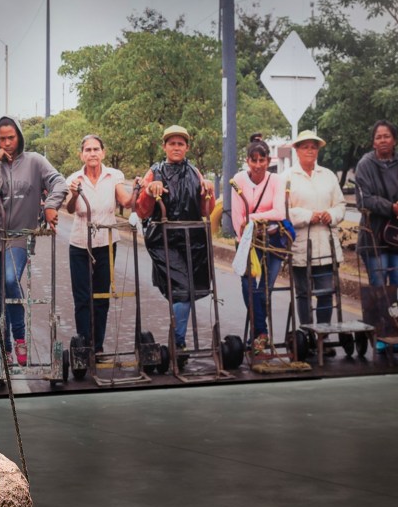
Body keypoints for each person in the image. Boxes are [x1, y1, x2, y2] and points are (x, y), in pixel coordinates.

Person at [0, 116, 67, 365]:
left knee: (10, 279)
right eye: (2, 139)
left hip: (21, 236)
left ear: (19, 136)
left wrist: (51, 205)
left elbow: (59, 182)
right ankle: (5, 348)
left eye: (11, 137)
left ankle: (20, 337)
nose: (7, 143)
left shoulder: (35, 162)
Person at [133, 125, 215, 356]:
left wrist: (208, 191)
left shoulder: (195, 172)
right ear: (164, 146)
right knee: (181, 288)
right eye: (172, 143)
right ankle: (178, 342)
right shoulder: (154, 172)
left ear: (187, 147)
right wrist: (150, 191)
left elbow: (207, 209)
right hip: (164, 240)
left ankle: (177, 339)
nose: (176, 147)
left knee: (190, 289)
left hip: (193, 239)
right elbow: (141, 211)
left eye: (180, 144)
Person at [61, 134, 130, 355]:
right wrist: (73, 193)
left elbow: (126, 201)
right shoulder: (74, 178)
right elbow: (70, 209)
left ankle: (97, 346)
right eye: (88, 150)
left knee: (101, 296)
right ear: (82, 154)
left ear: (103, 153)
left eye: (96, 149)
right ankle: (83, 346)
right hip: (80, 243)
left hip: (107, 242)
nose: (92, 153)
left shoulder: (114, 175)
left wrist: (140, 188)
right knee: (82, 297)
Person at [283, 130, 345, 350]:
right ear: (297, 150)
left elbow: (340, 205)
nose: (310, 151)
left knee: (326, 291)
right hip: (301, 243)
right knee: (303, 293)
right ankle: (308, 335)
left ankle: (324, 336)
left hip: (326, 242)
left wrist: (331, 214)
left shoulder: (327, 175)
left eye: (313, 147)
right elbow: (284, 211)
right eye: (305, 146)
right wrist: (309, 215)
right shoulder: (287, 177)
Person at [229, 139, 289, 351]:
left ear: (268, 160)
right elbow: (238, 219)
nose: (257, 165)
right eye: (253, 160)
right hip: (246, 241)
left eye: (261, 160)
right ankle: (261, 333)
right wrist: (253, 225)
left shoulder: (276, 180)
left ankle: (257, 335)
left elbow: (280, 212)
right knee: (249, 286)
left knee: (264, 290)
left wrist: (253, 217)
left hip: (272, 241)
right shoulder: (238, 180)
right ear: (247, 161)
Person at [355, 119, 398, 288]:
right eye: (378, 137)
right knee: (379, 291)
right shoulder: (364, 165)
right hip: (374, 237)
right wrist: (392, 208)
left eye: (387, 136)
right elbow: (363, 200)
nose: (383, 140)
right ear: (373, 142)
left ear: (394, 140)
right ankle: (381, 316)